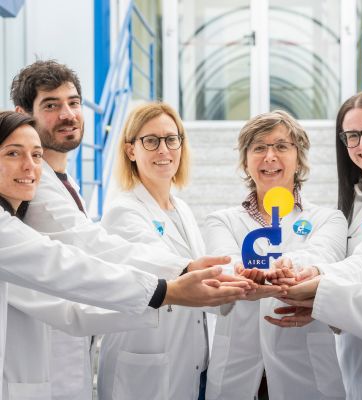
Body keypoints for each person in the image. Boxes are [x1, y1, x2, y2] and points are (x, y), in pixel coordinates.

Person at [8, 60, 251, 400]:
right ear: (23, 116)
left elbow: (75, 300)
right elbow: (90, 249)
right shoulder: (40, 192)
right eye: (51, 105)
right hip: (44, 362)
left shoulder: (65, 182)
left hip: (71, 350)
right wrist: (177, 278)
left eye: (73, 103)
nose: (67, 114)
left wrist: (203, 281)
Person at [97, 102, 238, 399]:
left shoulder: (181, 208)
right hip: (145, 370)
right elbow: (163, 265)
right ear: (131, 150)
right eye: (151, 140)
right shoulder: (122, 212)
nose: (164, 149)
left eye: (171, 139)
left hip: (193, 364)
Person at [204, 110, 348, 400]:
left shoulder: (329, 219)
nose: (270, 156)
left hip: (306, 375)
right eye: (259, 147)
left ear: (299, 158)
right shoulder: (220, 221)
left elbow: (322, 257)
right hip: (237, 374)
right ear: (246, 161)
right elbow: (225, 266)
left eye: (281, 146)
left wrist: (288, 265)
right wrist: (244, 272)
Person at [265, 90, 362, 400]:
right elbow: (350, 263)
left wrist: (317, 285)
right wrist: (311, 277)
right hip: (358, 369)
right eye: (352, 136)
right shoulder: (354, 204)